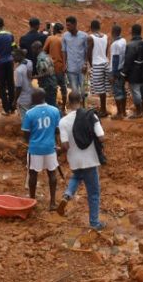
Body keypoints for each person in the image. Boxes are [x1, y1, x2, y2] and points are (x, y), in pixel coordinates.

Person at [56, 91, 105, 230]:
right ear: (81, 101)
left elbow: (65, 145)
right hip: (90, 160)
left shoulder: (63, 121)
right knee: (93, 193)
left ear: (68, 103)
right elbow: (101, 137)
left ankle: (67, 195)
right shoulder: (91, 116)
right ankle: (94, 223)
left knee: (77, 176)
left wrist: (60, 150)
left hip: (74, 159)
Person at [22, 88, 61, 210]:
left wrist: (34, 140)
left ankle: (32, 201)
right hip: (50, 147)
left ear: (36, 98)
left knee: (33, 174)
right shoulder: (55, 111)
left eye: (32, 97)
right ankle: (53, 203)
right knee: (52, 174)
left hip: (35, 149)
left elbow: (26, 135)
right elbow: (57, 130)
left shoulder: (29, 113)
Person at [122, 24, 143, 118]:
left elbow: (128, 61)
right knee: (142, 91)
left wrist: (123, 73)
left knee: (136, 91)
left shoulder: (130, 45)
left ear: (132, 32)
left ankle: (138, 111)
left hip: (134, 73)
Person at [87, 20, 111, 117]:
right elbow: (106, 51)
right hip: (105, 63)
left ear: (91, 27)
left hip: (96, 64)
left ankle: (103, 110)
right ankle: (103, 108)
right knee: (104, 89)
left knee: (100, 89)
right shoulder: (106, 37)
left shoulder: (90, 37)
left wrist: (91, 64)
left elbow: (89, 53)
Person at [62, 16, 88, 101]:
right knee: (75, 91)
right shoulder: (65, 36)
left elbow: (87, 51)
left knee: (84, 91)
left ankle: (84, 109)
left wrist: (85, 63)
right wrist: (64, 64)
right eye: (67, 25)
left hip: (82, 68)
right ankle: (78, 110)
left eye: (69, 25)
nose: (67, 27)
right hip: (71, 68)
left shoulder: (84, 36)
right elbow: (64, 51)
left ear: (75, 24)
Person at [44, 23, 68, 112]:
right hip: (62, 68)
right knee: (63, 88)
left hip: (51, 68)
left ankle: (52, 108)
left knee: (52, 89)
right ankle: (63, 108)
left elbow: (44, 51)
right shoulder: (65, 40)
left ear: (54, 30)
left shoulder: (50, 38)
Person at [32, 41, 57, 107]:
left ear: (37, 48)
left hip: (47, 85)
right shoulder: (46, 55)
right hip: (52, 83)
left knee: (50, 104)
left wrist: (35, 77)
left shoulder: (41, 59)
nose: (33, 50)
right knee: (52, 103)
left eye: (33, 48)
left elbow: (47, 73)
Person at [109, 25, 127, 120]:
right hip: (122, 69)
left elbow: (115, 59)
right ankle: (123, 111)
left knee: (117, 92)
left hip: (116, 70)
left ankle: (119, 113)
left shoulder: (115, 44)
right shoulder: (123, 41)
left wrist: (113, 74)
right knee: (122, 90)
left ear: (113, 32)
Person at [13, 49, 34, 116]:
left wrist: (15, 101)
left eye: (14, 56)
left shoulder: (18, 70)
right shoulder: (29, 63)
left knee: (25, 120)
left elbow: (18, 87)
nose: (13, 58)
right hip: (31, 95)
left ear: (20, 56)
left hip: (23, 99)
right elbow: (30, 76)